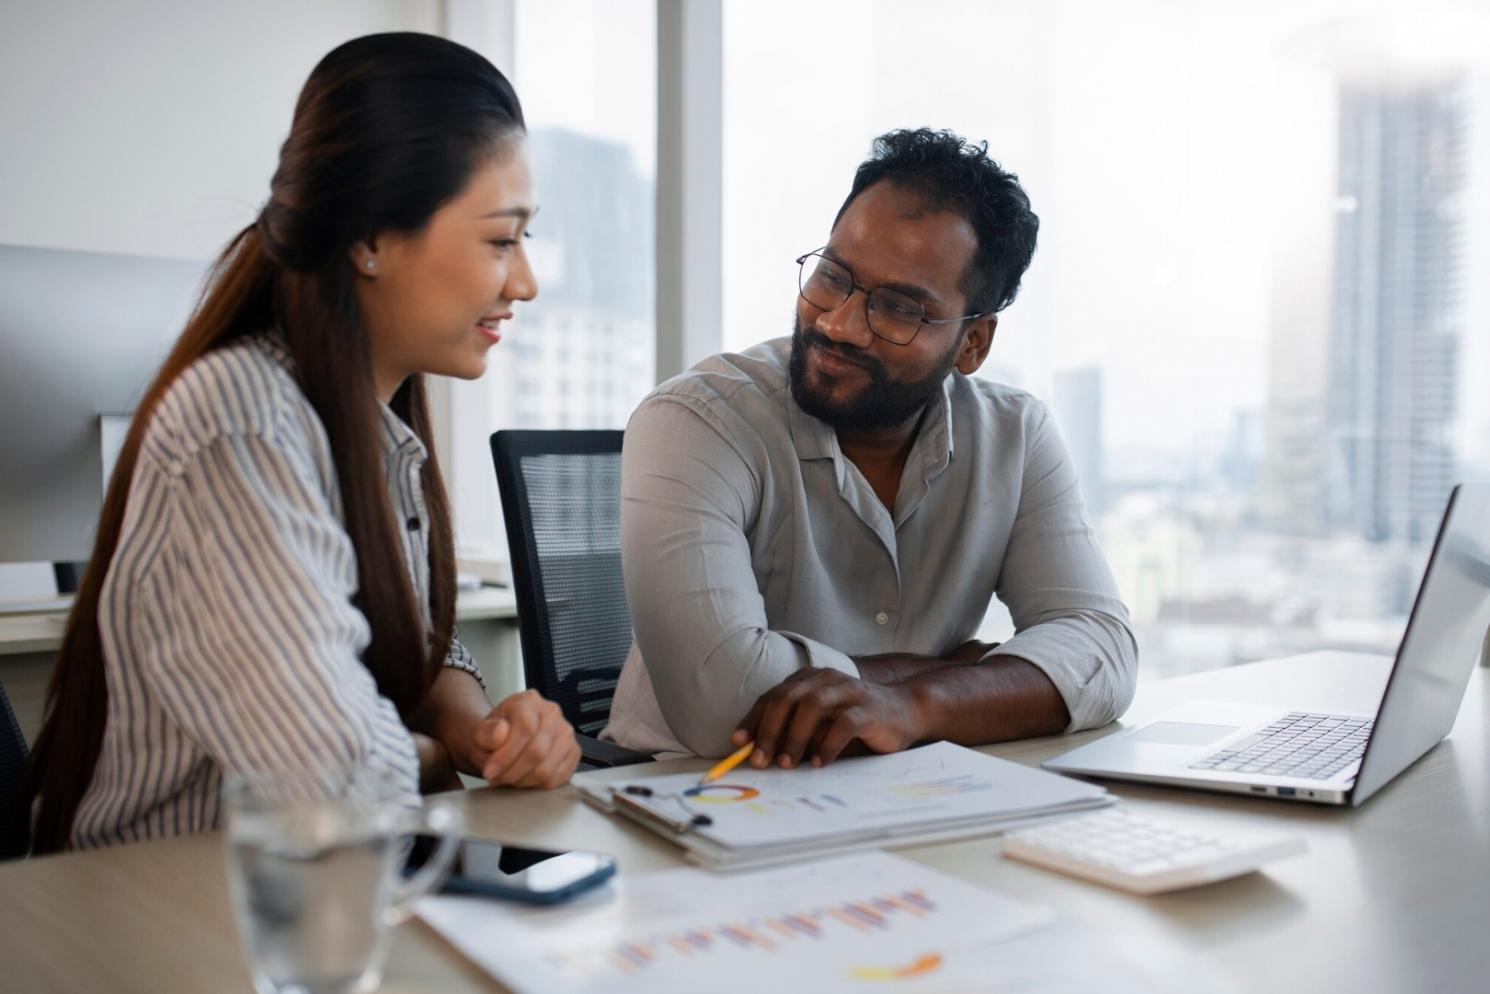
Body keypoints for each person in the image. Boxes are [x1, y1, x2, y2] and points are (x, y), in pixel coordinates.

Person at [14, 33, 580, 855]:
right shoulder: (240, 425)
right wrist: (428, 751)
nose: (524, 280)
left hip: (310, 890)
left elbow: (407, 627)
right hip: (163, 905)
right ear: (370, 240)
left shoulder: (371, 425)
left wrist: (471, 724)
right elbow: (331, 776)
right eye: (502, 239)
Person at [605, 128, 1137, 768]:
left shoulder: (1015, 436)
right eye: (833, 277)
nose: (838, 323)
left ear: (973, 343)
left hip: (907, 787)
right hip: (685, 794)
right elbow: (726, 702)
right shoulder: (696, 421)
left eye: (899, 308)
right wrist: (954, 673)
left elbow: (1104, 650)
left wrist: (919, 706)